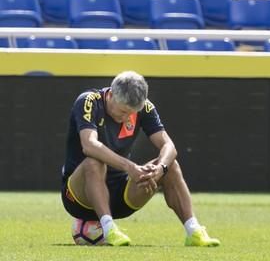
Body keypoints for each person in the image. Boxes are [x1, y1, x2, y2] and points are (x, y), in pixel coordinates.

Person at [61, 70, 220, 247]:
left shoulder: (145, 107)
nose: (127, 118)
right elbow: (89, 144)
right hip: (79, 197)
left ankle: (194, 231)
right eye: (122, 111)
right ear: (111, 95)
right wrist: (130, 167)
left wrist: (160, 169)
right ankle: (109, 229)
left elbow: (169, 146)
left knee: (170, 165)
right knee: (94, 161)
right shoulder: (89, 101)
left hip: (121, 197)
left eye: (131, 113)